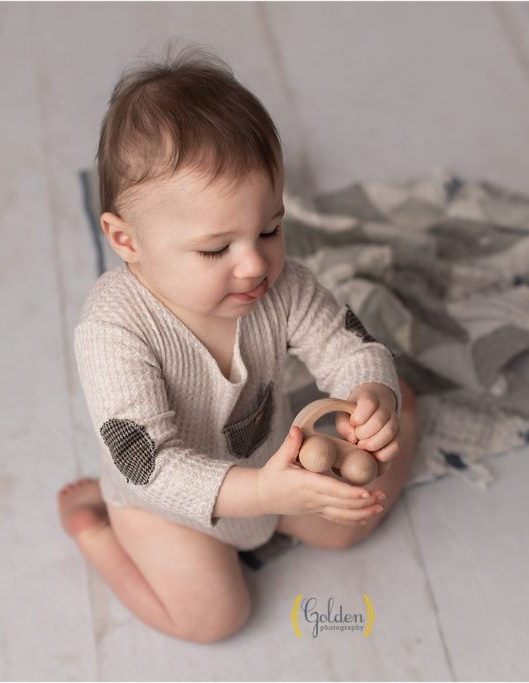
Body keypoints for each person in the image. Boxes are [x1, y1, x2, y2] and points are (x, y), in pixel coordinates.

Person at [57, 43, 418, 644]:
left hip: (264, 462)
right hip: (162, 503)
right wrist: (263, 493)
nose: (255, 264)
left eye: (271, 228)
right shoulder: (114, 330)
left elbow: (345, 340)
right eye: (215, 248)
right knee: (214, 619)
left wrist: (371, 388)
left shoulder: (279, 287)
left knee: (348, 527)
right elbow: (152, 467)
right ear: (126, 240)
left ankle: (408, 404)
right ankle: (95, 530)